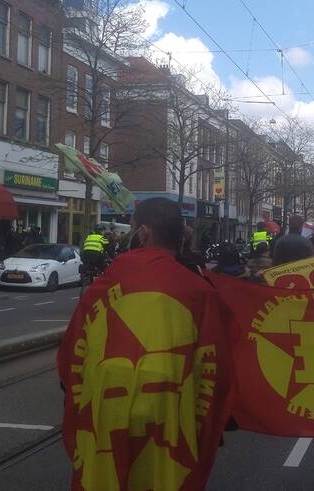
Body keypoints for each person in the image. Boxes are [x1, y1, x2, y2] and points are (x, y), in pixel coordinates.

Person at [57, 197, 233, 489]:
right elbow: (217, 368)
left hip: (109, 409)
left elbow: (73, 356)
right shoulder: (199, 291)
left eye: (133, 228)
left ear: (143, 233)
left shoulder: (106, 283)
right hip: (170, 412)